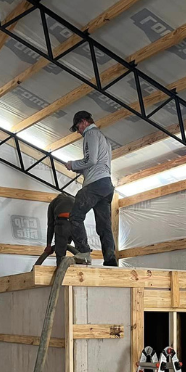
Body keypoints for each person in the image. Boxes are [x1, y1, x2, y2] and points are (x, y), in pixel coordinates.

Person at [64, 111, 117, 267]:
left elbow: (91, 160)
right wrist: (79, 169)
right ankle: (110, 259)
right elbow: (97, 163)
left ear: (84, 122)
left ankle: (84, 253)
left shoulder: (91, 134)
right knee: (104, 226)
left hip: (95, 184)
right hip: (106, 185)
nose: (78, 131)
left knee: (75, 216)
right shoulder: (104, 140)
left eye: (78, 127)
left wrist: (73, 164)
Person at [43, 192, 75, 266]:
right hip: (76, 223)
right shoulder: (73, 199)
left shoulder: (53, 203)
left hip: (62, 223)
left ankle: (60, 270)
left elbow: (51, 225)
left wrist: (48, 245)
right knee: (81, 253)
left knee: (60, 254)